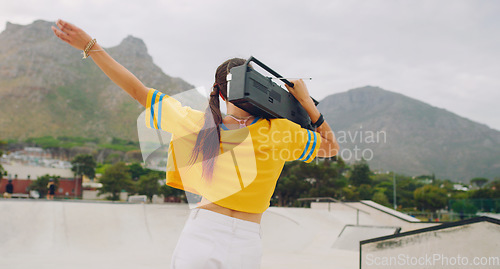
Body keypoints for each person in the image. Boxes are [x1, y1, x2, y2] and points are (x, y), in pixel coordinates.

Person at [52, 19, 339, 269]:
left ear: (222, 95)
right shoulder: (279, 131)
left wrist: (91, 46)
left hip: (202, 235)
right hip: (247, 243)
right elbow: (331, 147)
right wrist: (305, 103)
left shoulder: (197, 123)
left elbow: (138, 92)